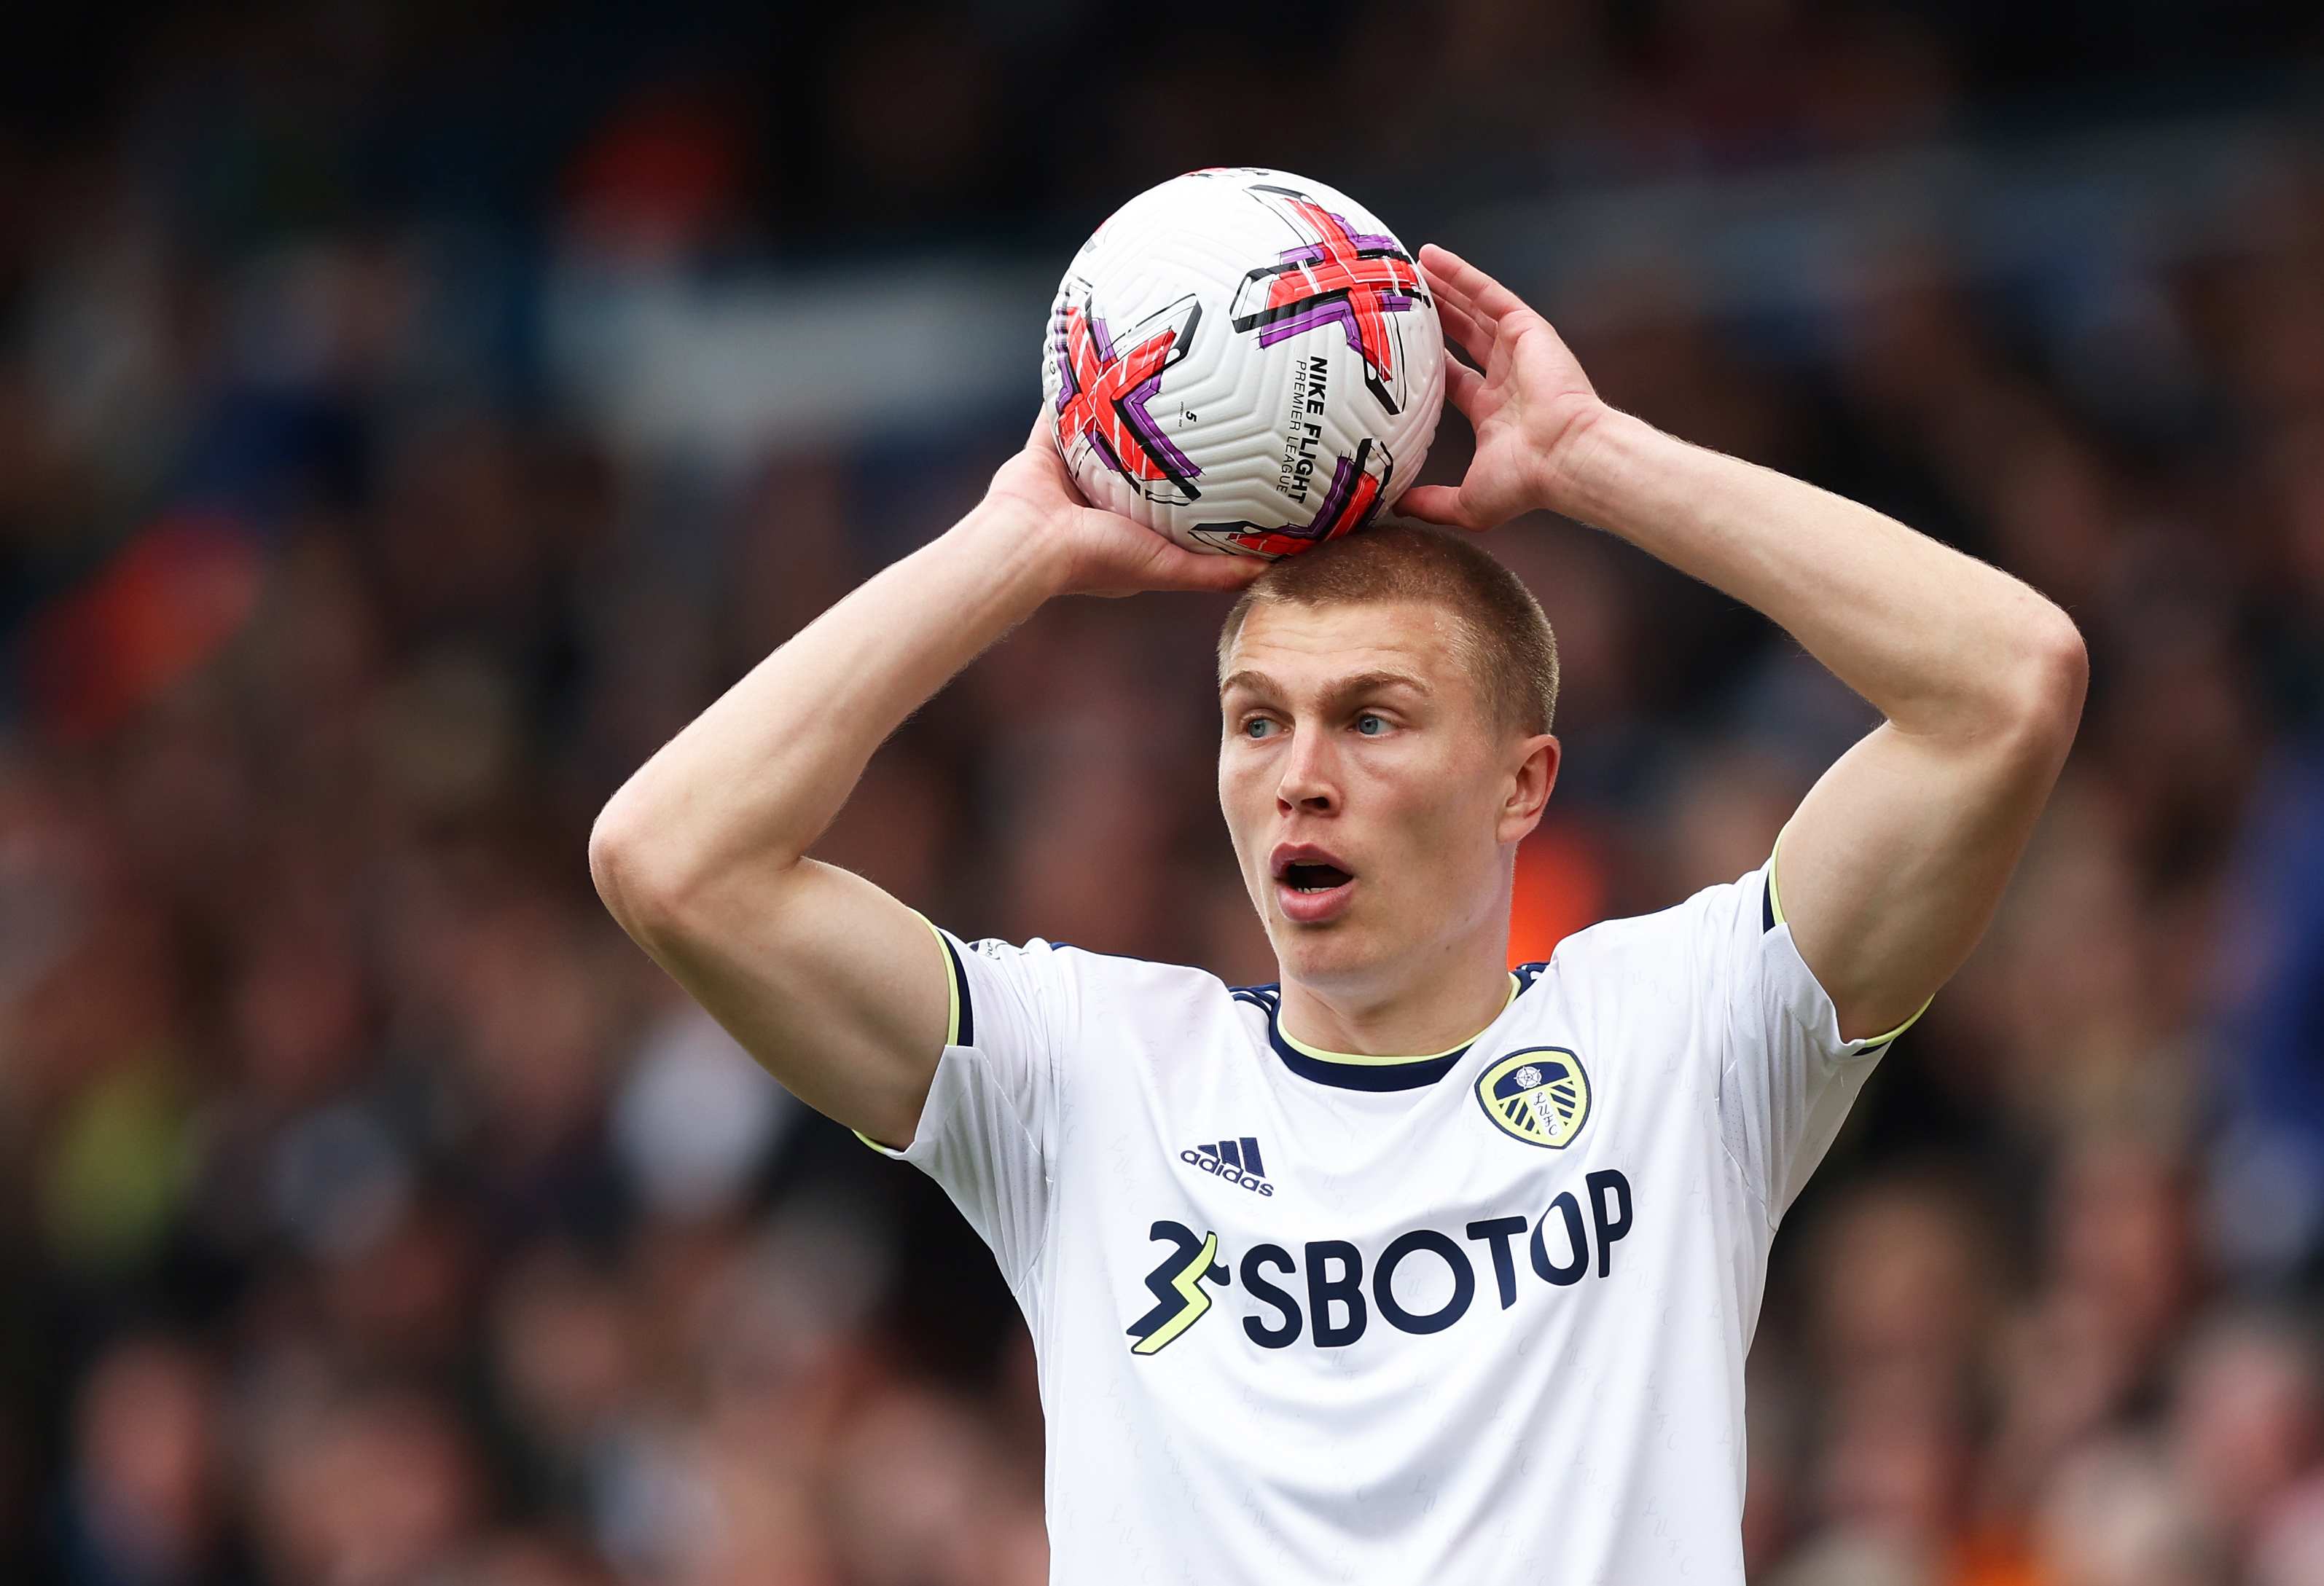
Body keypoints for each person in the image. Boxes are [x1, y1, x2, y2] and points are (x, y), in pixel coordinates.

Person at [588, 245, 2086, 1582]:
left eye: (1371, 720)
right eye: (1256, 722)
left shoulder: (1683, 1034)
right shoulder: (1079, 1077)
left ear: (1521, 784)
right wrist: (1015, 546)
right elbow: (672, 859)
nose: (1298, 777)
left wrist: (1595, 459)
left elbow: (2001, 686)